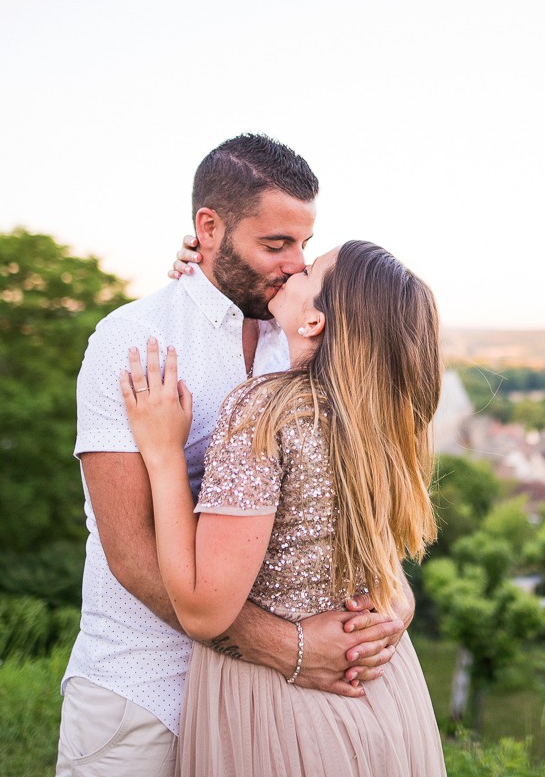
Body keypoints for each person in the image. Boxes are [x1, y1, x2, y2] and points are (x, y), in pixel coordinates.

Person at [58, 135, 412, 777]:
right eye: (275, 245)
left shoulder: (299, 334)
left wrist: (388, 609)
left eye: (303, 245)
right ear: (209, 229)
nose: (293, 265)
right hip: (146, 687)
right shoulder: (134, 342)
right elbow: (131, 553)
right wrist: (288, 648)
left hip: (274, 711)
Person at [123, 239, 446, 776]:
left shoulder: (267, 412)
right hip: (389, 699)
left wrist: (162, 454)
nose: (294, 267)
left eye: (310, 270)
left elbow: (204, 610)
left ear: (316, 321)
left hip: (279, 714)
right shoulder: (383, 424)